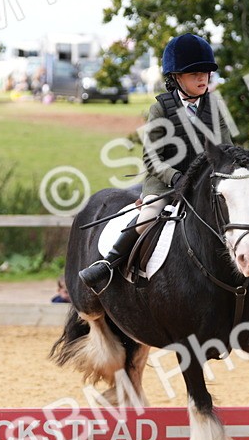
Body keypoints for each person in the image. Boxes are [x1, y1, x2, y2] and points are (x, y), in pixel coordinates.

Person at [78, 32, 233, 294]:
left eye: (206, 73)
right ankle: (109, 263)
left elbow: (226, 150)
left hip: (205, 186)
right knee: (147, 218)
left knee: (240, 218)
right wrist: (176, 178)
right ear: (176, 77)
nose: (203, 78)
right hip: (166, 185)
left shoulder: (215, 107)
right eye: (194, 73)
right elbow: (152, 158)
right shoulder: (160, 109)